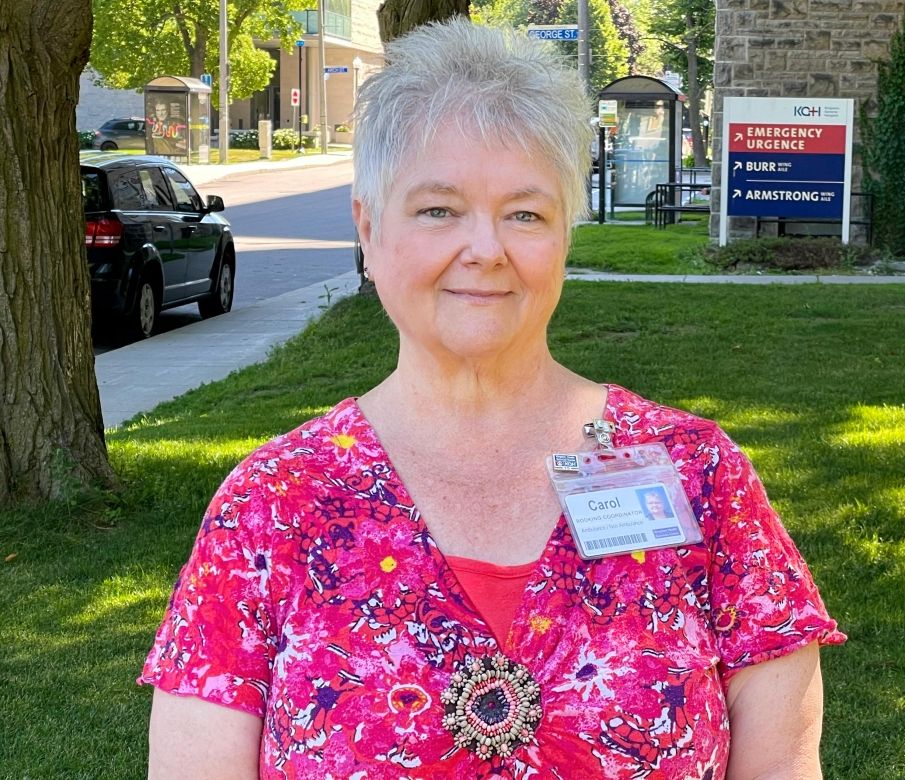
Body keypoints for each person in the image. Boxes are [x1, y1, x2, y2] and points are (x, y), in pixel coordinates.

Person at [140, 18, 844, 779]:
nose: (486, 248)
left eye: (525, 213)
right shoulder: (274, 506)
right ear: (369, 231)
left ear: (563, 239)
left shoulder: (700, 476)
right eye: (439, 209)